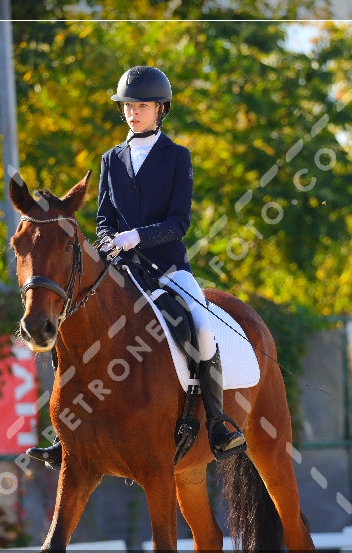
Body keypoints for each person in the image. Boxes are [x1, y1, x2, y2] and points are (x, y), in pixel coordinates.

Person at [26, 66, 246, 468]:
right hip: (122, 271)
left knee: (200, 324)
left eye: (141, 106)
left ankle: (217, 422)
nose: (133, 113)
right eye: (128, 106)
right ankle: (65, 435)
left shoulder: (177, 158)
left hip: (167, 268)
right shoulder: (111, 159)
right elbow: (104, 217)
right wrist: (111, 240)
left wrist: (138, 237)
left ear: (160, 109)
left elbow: (179, 222)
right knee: (73, 325)